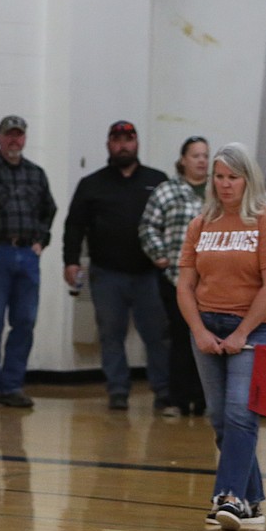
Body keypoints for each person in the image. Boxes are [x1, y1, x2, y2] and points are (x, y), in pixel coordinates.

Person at [177, 142, 266, 531]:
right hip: (208, 326)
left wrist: (242, 332)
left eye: (233, 177)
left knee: (241, 414)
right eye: (219, 177)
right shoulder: (201, 223)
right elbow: (185, 284)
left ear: (249, 180)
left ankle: (228, 497)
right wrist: (199, 330)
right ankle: (253, 502)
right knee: (220, 420)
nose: (225, 185)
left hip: (260, 327)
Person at [63, 121, 170, 412]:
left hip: (150, 273)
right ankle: (118, 391)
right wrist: (70, 261)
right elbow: (74, 226)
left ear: (137, 143)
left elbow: (172, 224)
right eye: (117, 139)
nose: (123, 145)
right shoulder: (92, 184)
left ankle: (163, 391)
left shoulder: (158, 180)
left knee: (158, 335)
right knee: (111, 335)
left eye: (128, 139)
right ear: (109, 144)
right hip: (106, 274)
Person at [0, 115, 57, 409]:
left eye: (19, 135)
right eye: (9, 135)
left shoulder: (36, 174)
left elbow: (49, 209)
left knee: (25, 322)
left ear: (25, 138)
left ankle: (11, 386)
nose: (14, 140)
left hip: (27, 255)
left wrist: (41, 241)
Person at [139, 135, 210, 418]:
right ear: (183, 160)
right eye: (196, 156)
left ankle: (204, 399)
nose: (202, 160)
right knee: (179, 339)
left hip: (210, 282)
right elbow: (148, 227)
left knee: (206, 339)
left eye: (206, 155)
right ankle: (178, 398)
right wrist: (160, 254)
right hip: (175, 279)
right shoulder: (166, 191)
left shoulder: (218, 193)